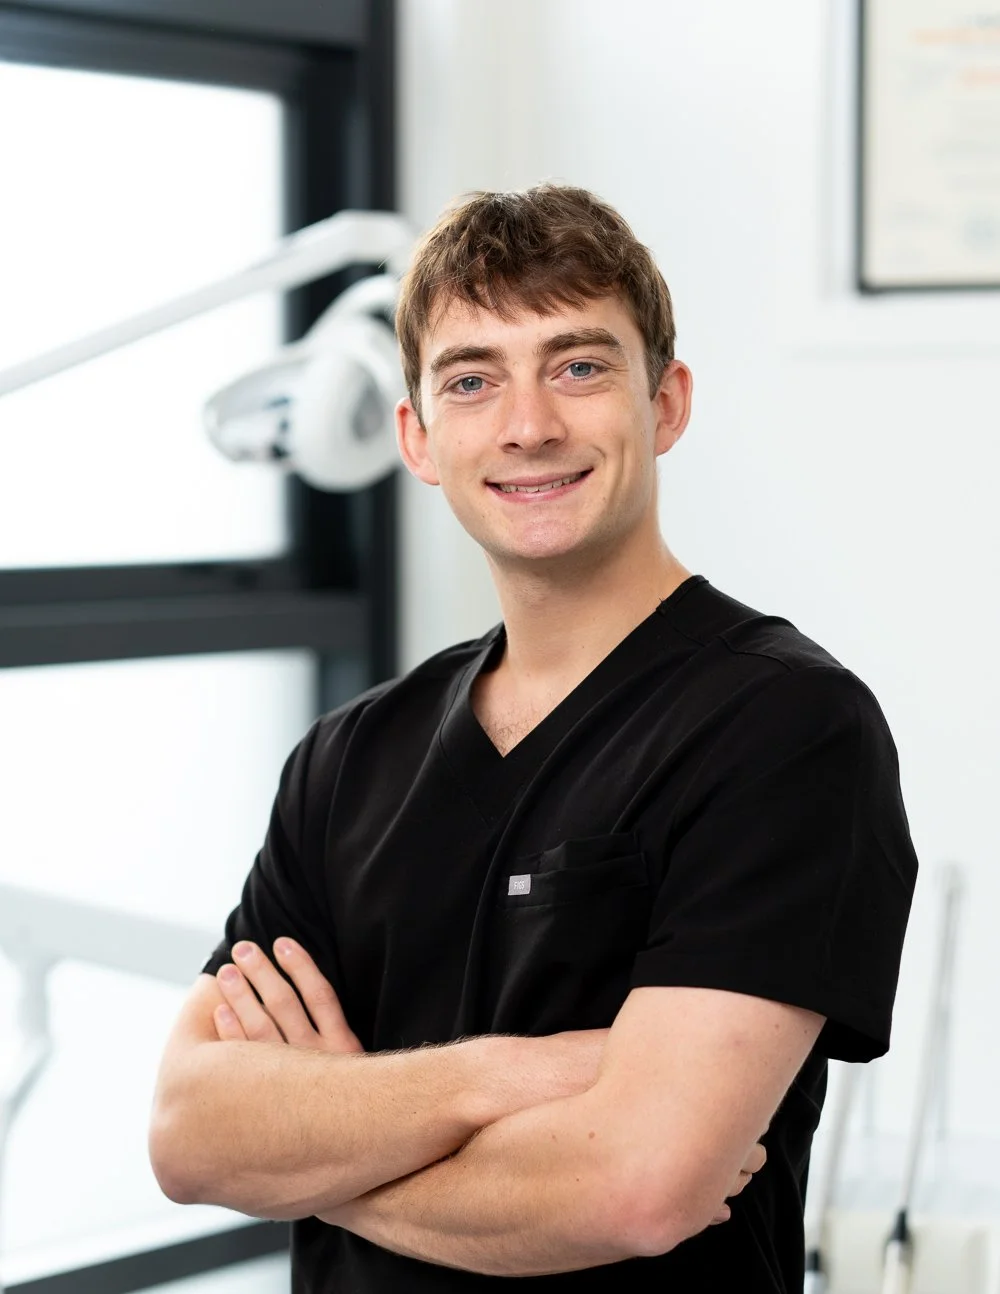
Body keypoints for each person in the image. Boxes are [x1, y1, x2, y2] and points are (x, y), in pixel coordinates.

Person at [149, 184, 918, 1292]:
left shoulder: (786, 730)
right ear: (416, 434)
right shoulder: (346, 759)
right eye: (471, 380)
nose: (527, 425)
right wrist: (509, 1079)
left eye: (579, 365)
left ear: (667, 403)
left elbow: (635, 1188)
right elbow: (188, 1132)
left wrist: (318, 1145)